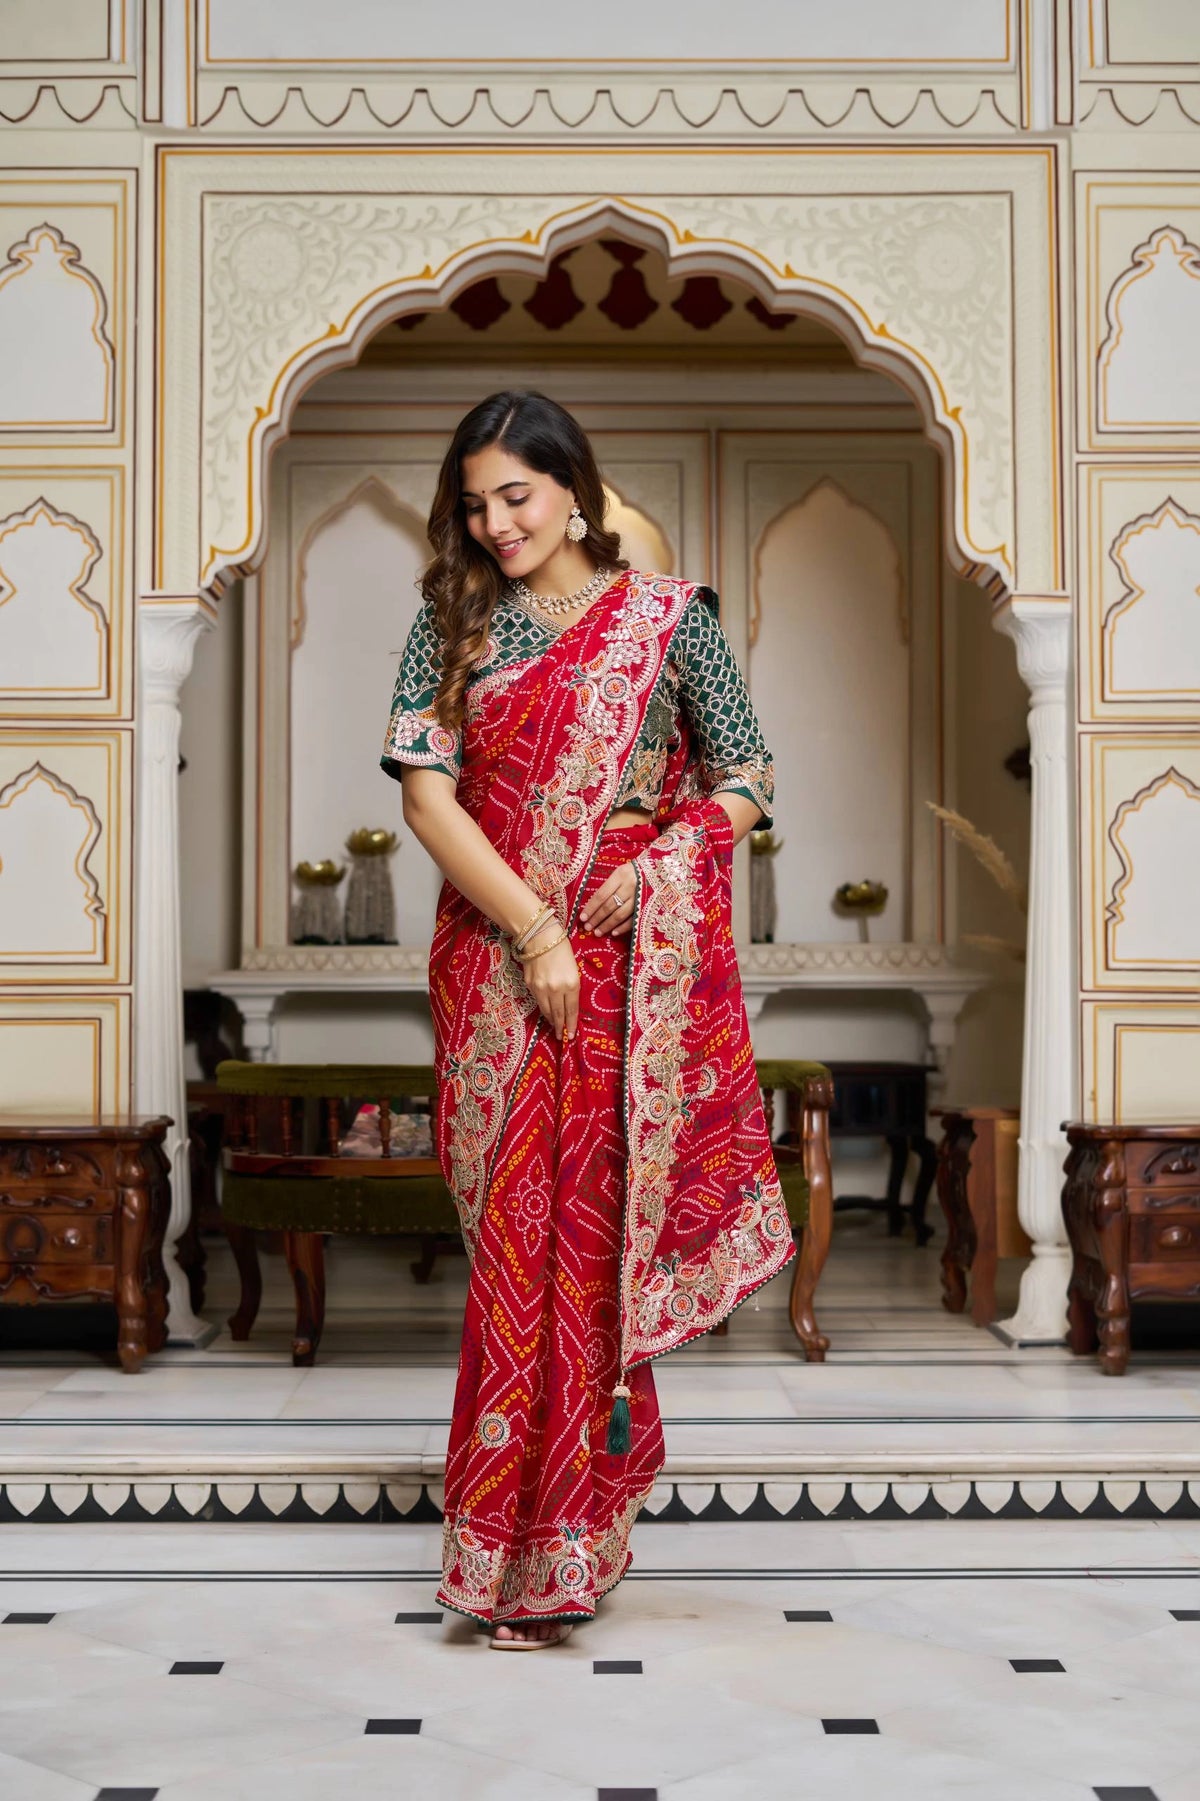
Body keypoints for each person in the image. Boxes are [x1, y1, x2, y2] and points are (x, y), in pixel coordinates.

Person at [382, 390, 791, 1649]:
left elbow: (749, 778)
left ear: (572, 486)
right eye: (474, 504)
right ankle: (497, 1549)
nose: (496, 523)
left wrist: (663, 861)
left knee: (590, 1252)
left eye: (516, 495)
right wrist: (536, 929)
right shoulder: (448, 621)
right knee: (513, 1254)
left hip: (628, 972)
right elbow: (427, 800)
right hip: (504, 966)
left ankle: (566, 1544)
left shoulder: (674, 620)